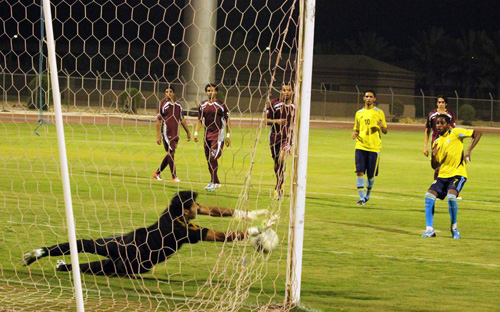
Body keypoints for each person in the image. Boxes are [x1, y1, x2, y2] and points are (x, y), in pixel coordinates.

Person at [22, 191, 269, 276]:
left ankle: (44, 252)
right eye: (195, 206)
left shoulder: (170, 214)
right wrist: (253, 231)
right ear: (186, 210)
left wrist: (242, 214)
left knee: (86, 245)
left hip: (127, 243)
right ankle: (60, 265)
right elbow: (220, 237)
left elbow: (212, 211)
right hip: (137, 261)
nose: (199, 208)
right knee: (97, 268)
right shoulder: (185, 231)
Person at [421, 114, 481, 239]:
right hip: (443, 175)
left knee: (451, 197)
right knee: (429, 196)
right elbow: (435, 166)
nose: (439, 125)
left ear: (448, 125)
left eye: (442, 123)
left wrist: (469, 151)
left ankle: (454, 228)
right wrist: (434, 155)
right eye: (437, 123)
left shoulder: (456, 133)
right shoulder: (437, 142)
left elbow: (478, 133)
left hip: (458, 174)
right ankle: (429, 230)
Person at [352, 90, 388, 205]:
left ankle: (368, 194)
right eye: (366, 96)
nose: (368, 98)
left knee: (371, 175)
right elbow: (356, 128)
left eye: (370, 97)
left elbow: (385, 131)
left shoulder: (379, 112)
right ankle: (362, 198)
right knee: (359, 171)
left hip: (374, 148)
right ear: (363, 98)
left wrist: (382, 127)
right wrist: (355, 133)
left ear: (374, 99)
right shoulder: (359, 113)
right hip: (360, 146)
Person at [194, 83, 231, 191]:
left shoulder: (221, 105)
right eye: (208, 91)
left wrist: (228, 135)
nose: (210, 92)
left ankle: (213, 182)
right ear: (206, 92)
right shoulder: (202, 105)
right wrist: (196, 133)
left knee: (212, 157)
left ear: (216, 92)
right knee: (208, 160)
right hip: (207, 135)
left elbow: (227, 120)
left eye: (212, 90)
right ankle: (216, 181)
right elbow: (200, 121)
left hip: (218, 135)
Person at [153, 87, 191, 182]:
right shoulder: (162, 104)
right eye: (166, 92)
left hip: (175, 133)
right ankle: (174, 176)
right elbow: (158, 121)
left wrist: (188, 131)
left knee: (170, 153)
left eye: (170, 91)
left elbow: (182, 119)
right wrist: (158, 136)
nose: (168, 93)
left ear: (173, 94)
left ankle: (157, 173)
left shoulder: (178, 105)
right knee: (171, 153)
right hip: (166, 132)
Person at [266, 83, 295, 200]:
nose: (286, 92)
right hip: (274, 136)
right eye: (284, 90)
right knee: (277, 162)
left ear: (292, 92)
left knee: (282, 158)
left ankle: (278, 187)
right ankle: (280, 182)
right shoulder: (274, 103)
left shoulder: (296, 106)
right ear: (280, 91)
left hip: (287, 138)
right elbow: (266, 121)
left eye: (288, 90)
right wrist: (277, 121)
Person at [423, 96, 456, 180]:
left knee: (447, 166)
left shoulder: (450, 114)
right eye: (439, 102)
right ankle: (436, 186)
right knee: (437, 166)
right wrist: (425, 146)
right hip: (436, 143)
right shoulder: (432, 114)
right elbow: (428, 129)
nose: (441, 104)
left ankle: (446, 187)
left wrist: (445, 121)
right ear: (437, 103)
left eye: (443, 102)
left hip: (447, 143)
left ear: (446, 104)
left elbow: (453, 129)